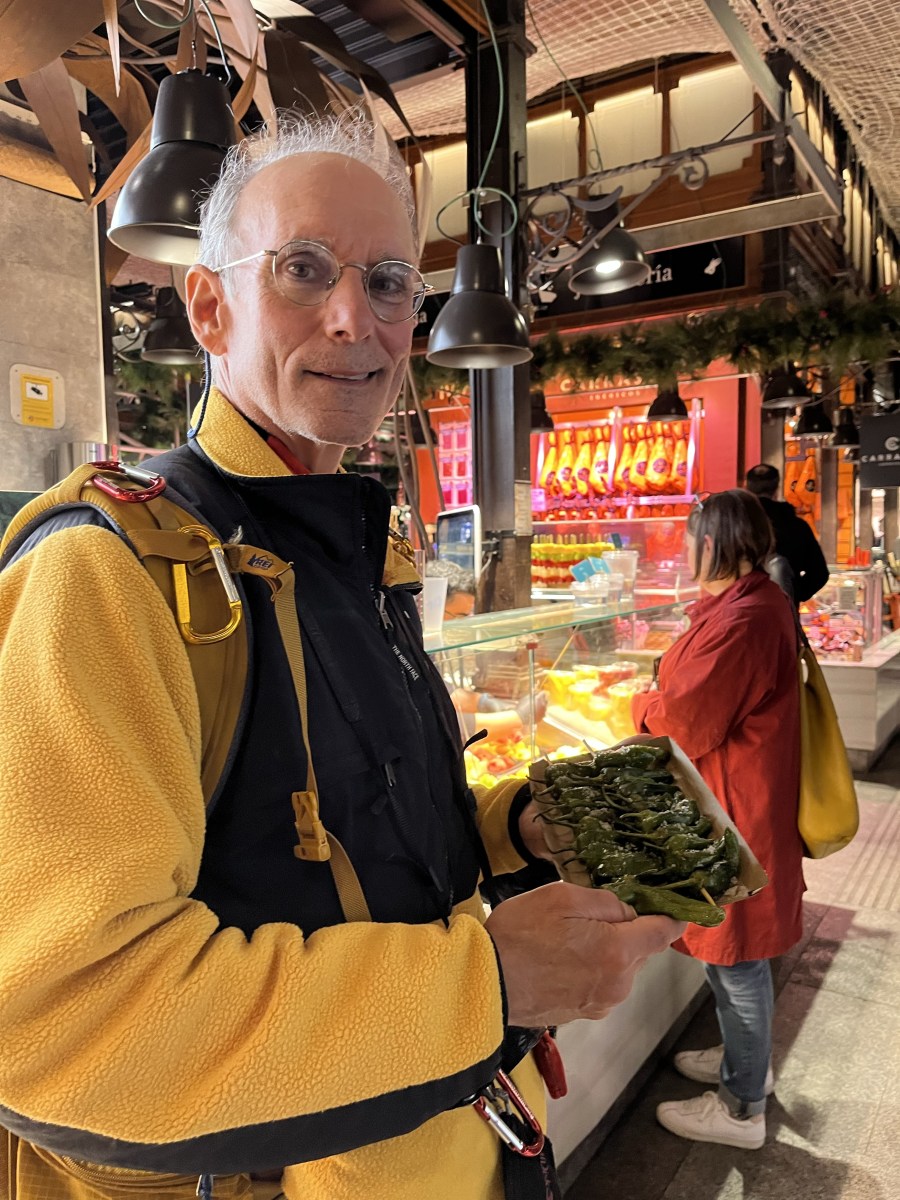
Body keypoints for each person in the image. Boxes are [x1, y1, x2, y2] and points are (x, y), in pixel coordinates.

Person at [0, 111, 685, 1200]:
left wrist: (509, 828)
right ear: (209, 306)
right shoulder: (107, 571)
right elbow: (63, 1021)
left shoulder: (360, 549)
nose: (353, 319)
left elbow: (327, 842)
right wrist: (488, 984)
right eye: (304, 268)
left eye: (391, 282)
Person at [631, 489, 805, 1151]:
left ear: (713, 543)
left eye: (689, 538)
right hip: (734, 799)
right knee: (729, 953)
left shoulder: (748, 617)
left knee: (739, 958)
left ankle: (741, 1108)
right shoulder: (751, 602)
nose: (683, 549)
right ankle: (743, 1061)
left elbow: (687, 721)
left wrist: (640, 705)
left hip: (737, 810)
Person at [744, 463, 829, 602]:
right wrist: (793, 593)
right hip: (784, 610)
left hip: (741, 609)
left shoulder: (734, 526)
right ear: (777, 490)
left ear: (746, 488)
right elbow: (819, 574)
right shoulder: (797, 527)